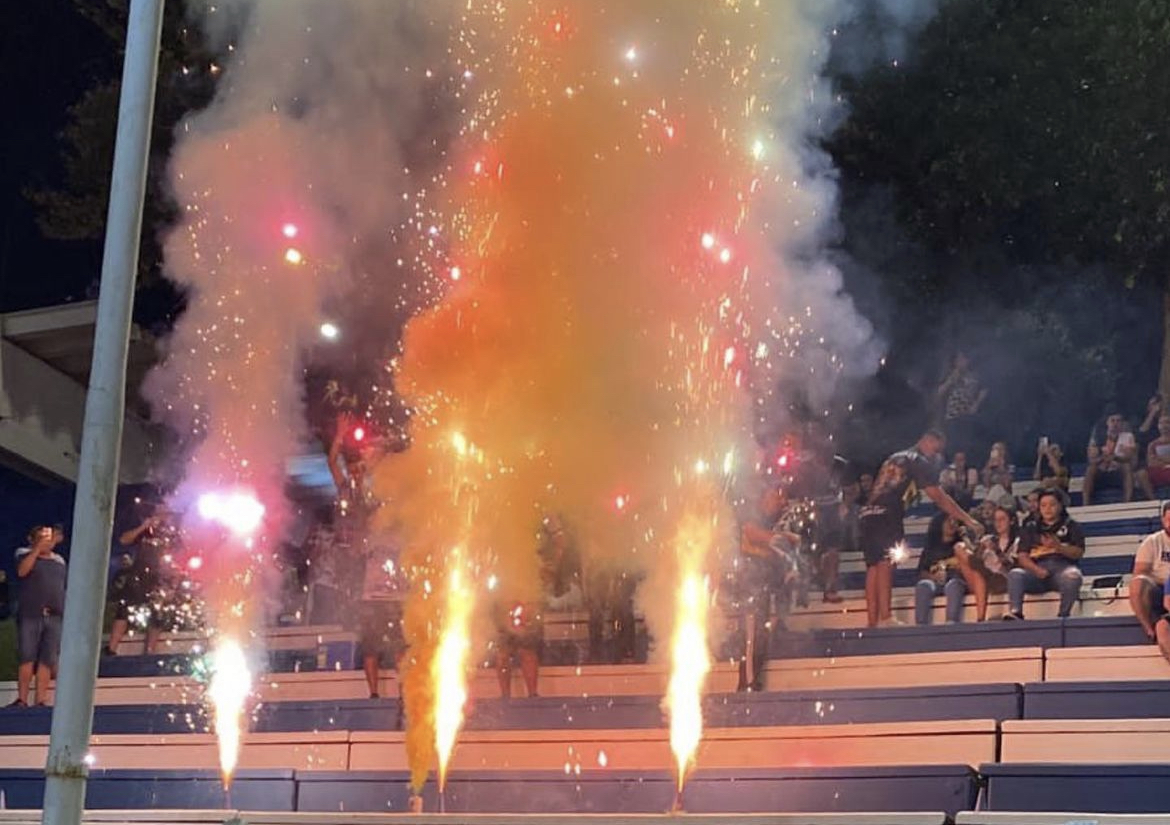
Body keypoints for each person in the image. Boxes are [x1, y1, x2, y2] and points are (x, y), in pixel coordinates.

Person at [859, 430, 984, 627]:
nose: (935, 455)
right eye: (936, 449)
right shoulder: (917, 460)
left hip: (867, 513)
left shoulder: (894, 457)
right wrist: (968, 520)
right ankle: (885, 616)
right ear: (927, 440)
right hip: (887, 514)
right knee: (885, 562)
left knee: (873, 565)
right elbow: (938, 497)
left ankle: (871, 621)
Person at [1004, 489, 1085, 619]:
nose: (1047, 509)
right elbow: (1022, 556)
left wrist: (1058, 547)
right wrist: (1036, 569)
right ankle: (1016, 612)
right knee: (1015, 574)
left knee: (1073, 577)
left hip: (1061, 568)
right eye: (1043, 505)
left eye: (1052, 505)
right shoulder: (1031, 527)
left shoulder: (1072, 526)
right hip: (1036, 569)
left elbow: (1079, 552)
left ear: (1060, 505)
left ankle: (1063, 616)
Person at [12, 526, 67, 707]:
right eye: (42, 537)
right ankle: (22, 699)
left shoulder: (59, 561)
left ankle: (41, 699)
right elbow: (22, 572)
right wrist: (37, 550)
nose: (47, 541)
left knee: (47, 658)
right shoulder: (24, 553)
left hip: (55, 616)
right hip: (31, 614)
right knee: (27, 656)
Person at [913, 513, 967, 625]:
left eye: (955, 521)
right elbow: (921, 572)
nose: (953, 524)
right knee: (923, 585)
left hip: (955, 581)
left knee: (955, 585)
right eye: (949, 521)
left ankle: (951, 621)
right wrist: (932, 577)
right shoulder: (930, 548)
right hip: (936, 582)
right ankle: (921, 624)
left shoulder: (961, 545)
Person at [1130, 501, 1170, 640]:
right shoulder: (1152, 541)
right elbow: (1140, 572)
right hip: (1159, 588)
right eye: (1169, 519)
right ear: (1163, 519)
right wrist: (1166, 582)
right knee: (1137, 583)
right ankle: (1149, 629)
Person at [936, 352, 987, 454]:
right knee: (952, 443)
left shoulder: (975, 376)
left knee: (966, 444)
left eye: (963, 359)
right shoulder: (950, 374)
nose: (960, 362)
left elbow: (984, 390)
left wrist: (976, 404)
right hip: (952, 416)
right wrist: (951, 379)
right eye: (958, 360)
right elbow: (939, 392)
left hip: (968, 416)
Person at [1084, 409, 1136, 505]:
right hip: (1102, 471)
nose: (1115, 423)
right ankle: (1086, 503)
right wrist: (1102, 458)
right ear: (1107, 422)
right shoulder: (1097, 437)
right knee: (1091, 469)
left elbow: (1129, 457)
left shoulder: (1128, 436)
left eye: (1118, 421)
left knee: (1127, 467)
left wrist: (1114, 457)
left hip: (1118, 472)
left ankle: (1128, 502)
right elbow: (1091, 459)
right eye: (1113, 420)